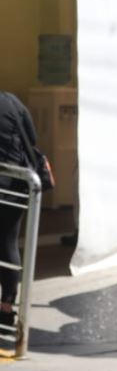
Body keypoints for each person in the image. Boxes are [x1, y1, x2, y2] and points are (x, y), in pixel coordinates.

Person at [0, 91, 39, 329]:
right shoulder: (11, 101)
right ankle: (6, 306)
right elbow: (31, 138)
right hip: (14, 184)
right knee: (8, 243)